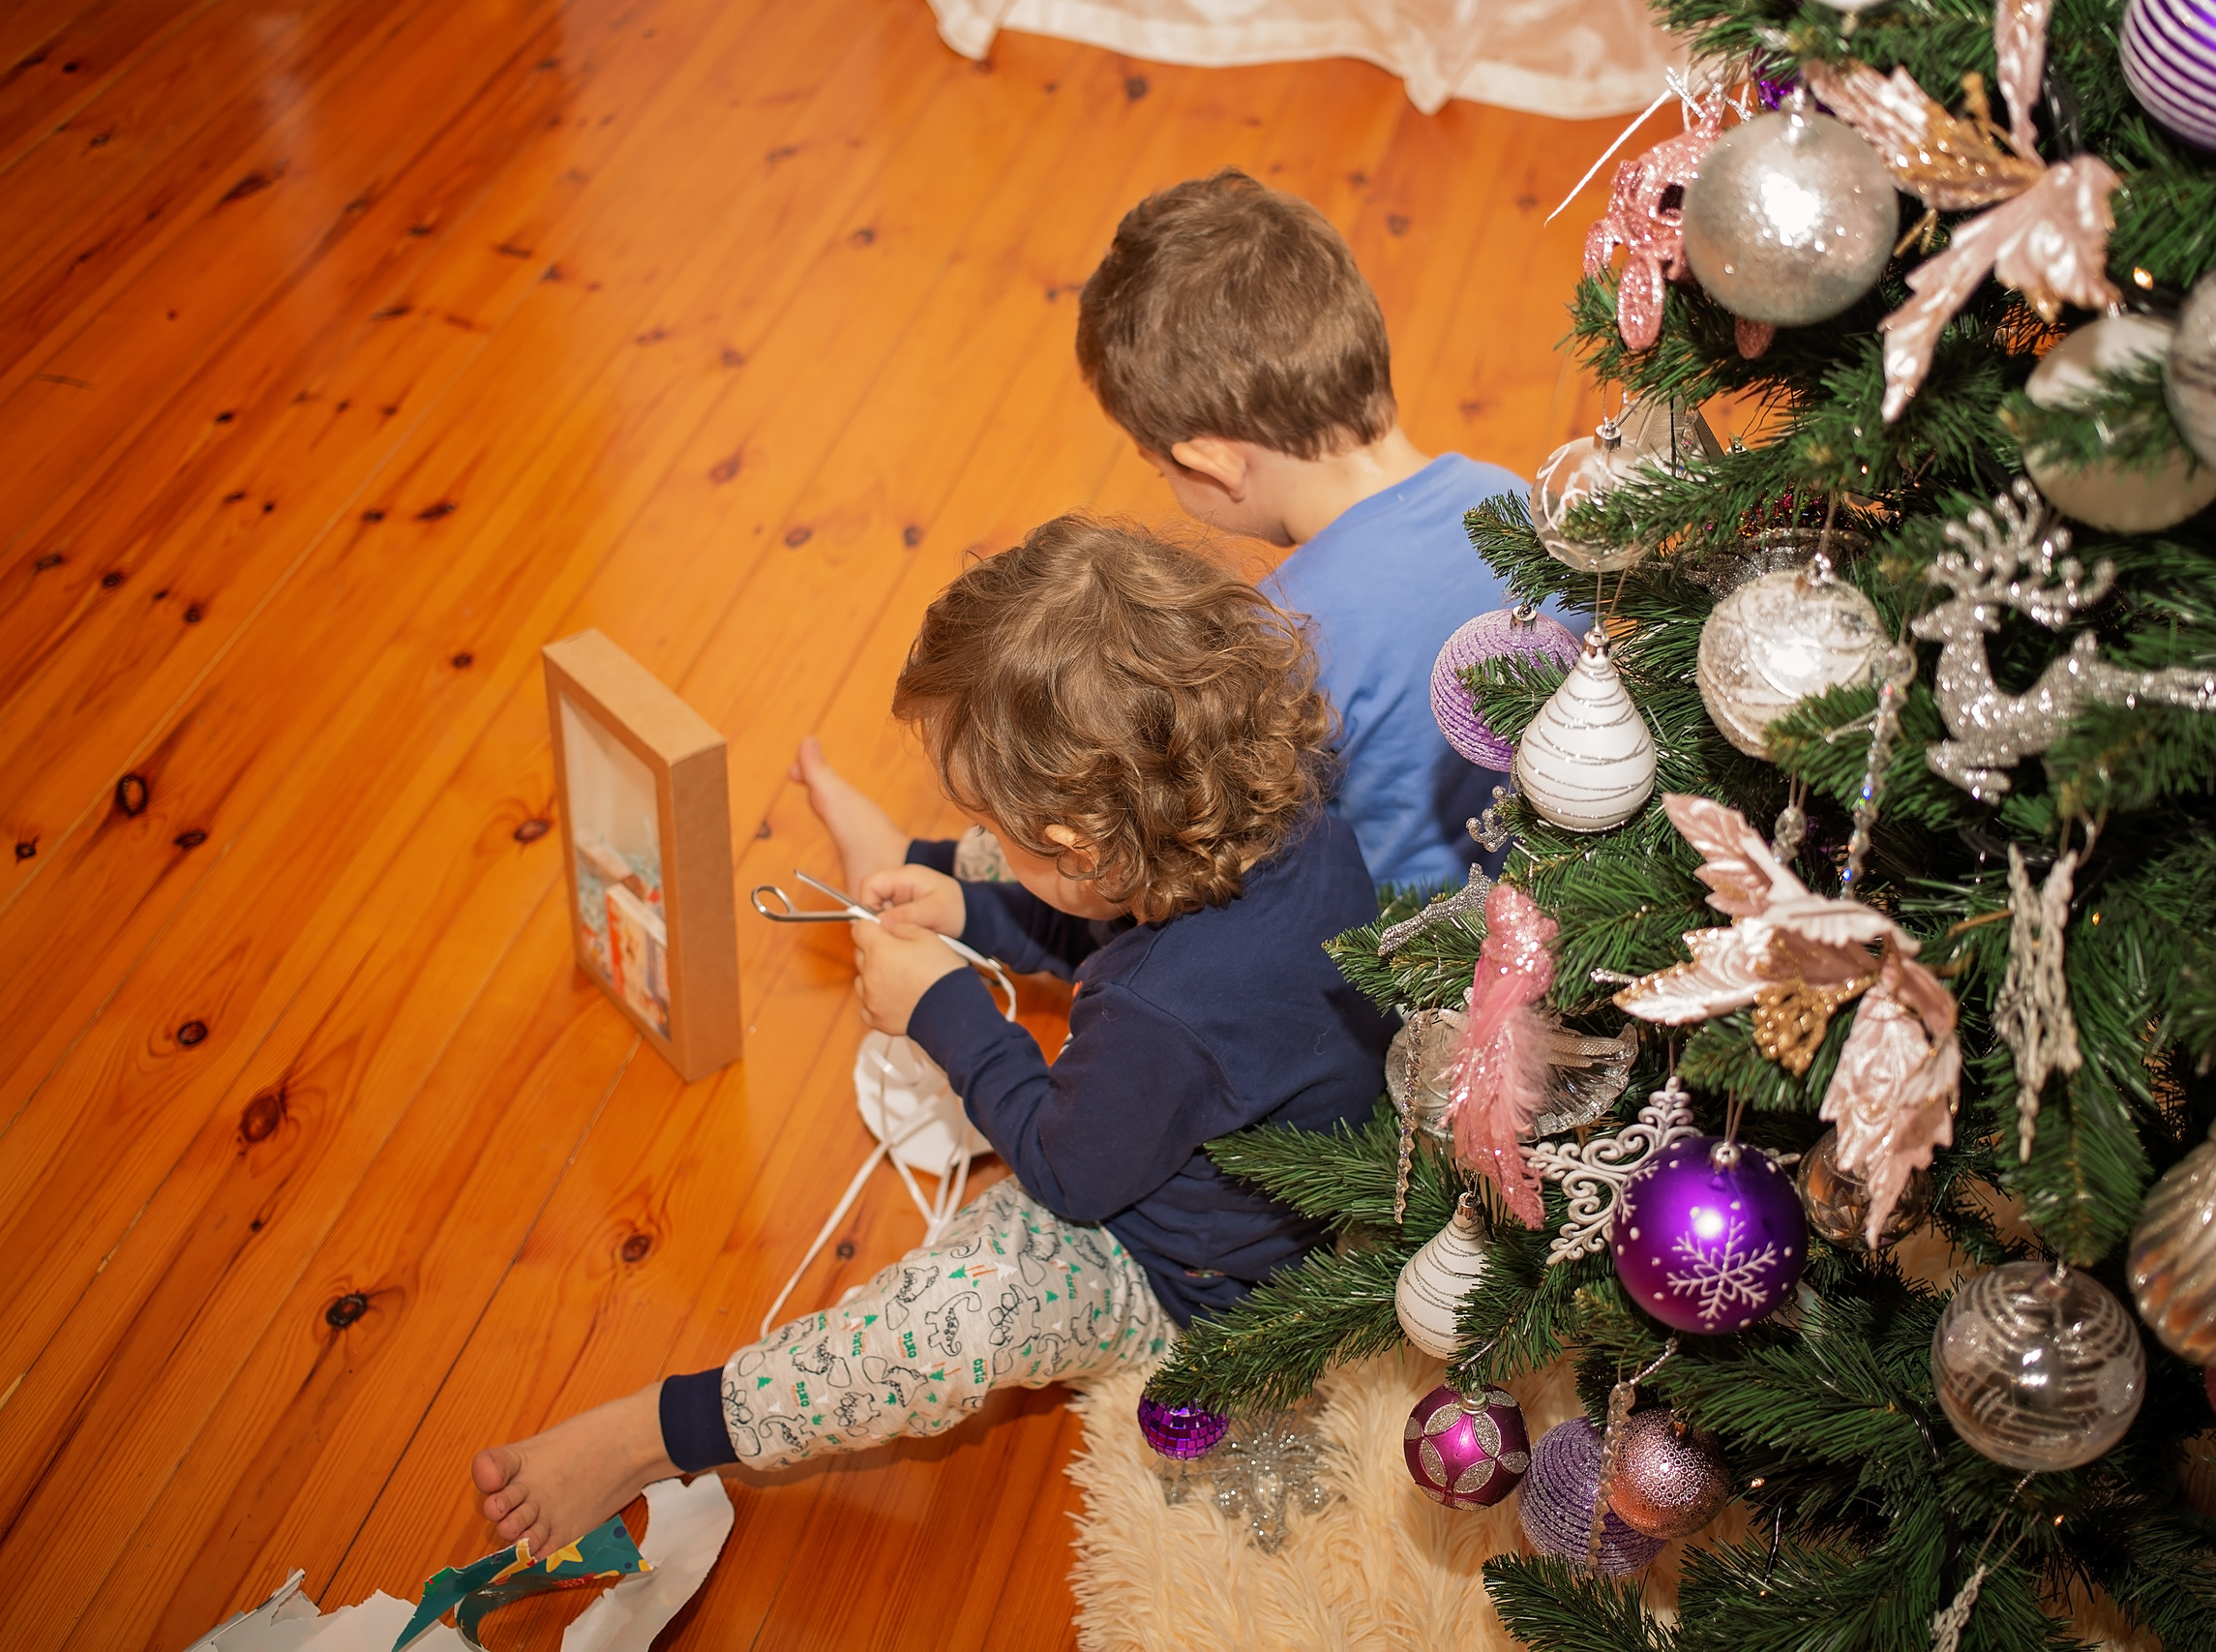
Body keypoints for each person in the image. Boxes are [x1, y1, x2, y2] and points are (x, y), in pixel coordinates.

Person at [470, 518, 1391, 1554]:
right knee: (1033, 874)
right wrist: (967, 910)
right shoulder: (1286, 819)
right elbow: (1101, 902)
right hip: (1281, 1159)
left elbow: (1068, 1175)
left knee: (932, 1323)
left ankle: (654, 1433)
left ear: (1075, 850)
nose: (1002, 842)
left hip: (1194, 1282)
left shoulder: (1156, 1014)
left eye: (995, 828)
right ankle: (916, 864)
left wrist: (942, 1012)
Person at [800, 168, 1542, 897]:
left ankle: (925, 868)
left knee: (1125, 837)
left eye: (1161, 471)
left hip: (1380, 955)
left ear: (1212, 462)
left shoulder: (1284, 634)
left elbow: (1170, 849)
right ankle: (931, 862)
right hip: (1543, 892)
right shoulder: (1517, 503)